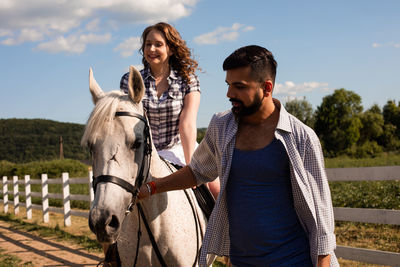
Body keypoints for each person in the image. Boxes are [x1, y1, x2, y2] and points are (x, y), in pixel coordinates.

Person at [138, 45, 339, 267]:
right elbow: (196, 172)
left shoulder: (301, 137)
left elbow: (322, 217)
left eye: (239, 87)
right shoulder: (221, 126)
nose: (229, 94)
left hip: (293, 260)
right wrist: (151, 188)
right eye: (228, 85)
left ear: (267, 87)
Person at [120, 22, 220, 198]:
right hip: (143, 152)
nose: (151, 48)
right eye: (148, 44)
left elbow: (187, 123)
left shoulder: (188, 80)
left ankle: (221, 226)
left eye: (158, 44)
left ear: (171, 49)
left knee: (216, 191)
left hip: (178, 147)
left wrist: (192, 167)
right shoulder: (130, 80)